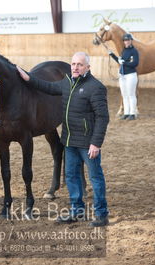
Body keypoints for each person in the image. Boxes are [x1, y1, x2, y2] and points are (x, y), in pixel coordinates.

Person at [16, 52, 110, 227]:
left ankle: (101, 214)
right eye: (73, 64)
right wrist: (27, 77)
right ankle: (77, 211)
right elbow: (47, 87)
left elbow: (103, 117)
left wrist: (96, 143)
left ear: (87, 67)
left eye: (80, 65)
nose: (75, 67)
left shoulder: (96, 87)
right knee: (71, 176)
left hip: (87, 142)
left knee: (95, 177)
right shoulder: (67, 83)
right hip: (69, 141)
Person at [108, 33, 139, 120]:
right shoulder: (124, 51)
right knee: (124, 95)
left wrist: (124, 62)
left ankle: (132, 113)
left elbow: (135, 63)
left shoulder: (134, 51)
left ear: (131, 41)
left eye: (128, 40)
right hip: (122, 75)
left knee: (131, 94)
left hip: (131, 75)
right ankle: (126, 113)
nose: (126, 42)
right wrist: (112, 55)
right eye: (125, 40)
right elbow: (120, 61)